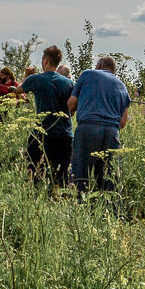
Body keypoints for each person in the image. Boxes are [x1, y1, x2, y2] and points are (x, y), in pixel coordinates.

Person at [67, 56, 132, 193]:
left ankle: (79, 205)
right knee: (110, 178)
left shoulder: (87, 74)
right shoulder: (122, 86)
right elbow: (123, 122)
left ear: (99, 66)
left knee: (80, 172)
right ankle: (111, 210)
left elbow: (71, 105)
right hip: (112, 132)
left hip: (88, 128)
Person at [21, 46, 77, 188]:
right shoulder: (70, 84)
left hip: (41, 134)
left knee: (34, 174)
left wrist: (27, 74)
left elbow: (18, 90)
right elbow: (72, 110)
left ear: (45, 61)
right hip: (65, 135)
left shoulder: (35, 79)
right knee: (62, 177)